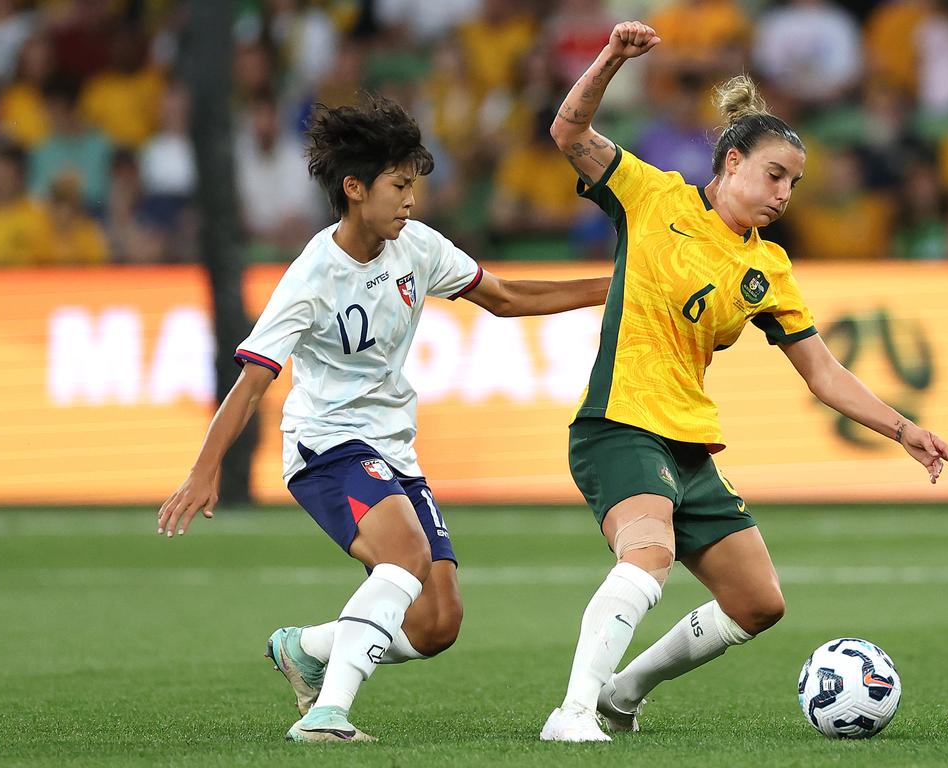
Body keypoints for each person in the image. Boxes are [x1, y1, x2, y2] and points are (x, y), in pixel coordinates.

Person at [541, 21, 948, 743]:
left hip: (688, 441)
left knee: (759, 601)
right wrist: (611, 57)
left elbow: (822, 372)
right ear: (731, 162)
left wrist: (904, 429)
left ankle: (621, 692)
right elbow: (567, 128)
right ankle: (570, 714)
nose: (784, 193)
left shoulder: (769, 269)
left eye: (794, 182)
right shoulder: (652, 197)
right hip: (619, 424)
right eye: (774, 175)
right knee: (649, 557)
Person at [156, 93, 610, 744]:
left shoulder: (417, 248)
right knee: (404, 556)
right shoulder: (313, 275)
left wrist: (612, 285)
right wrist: (204, 472)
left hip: (391, 449)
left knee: (435, 623)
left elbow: (504, 298)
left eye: (413, 186)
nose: (410, 200)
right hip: (325, 446)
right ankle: (326, 716)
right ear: (354, 188)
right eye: (399, 186)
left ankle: (306, 647)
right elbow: (253, 381)